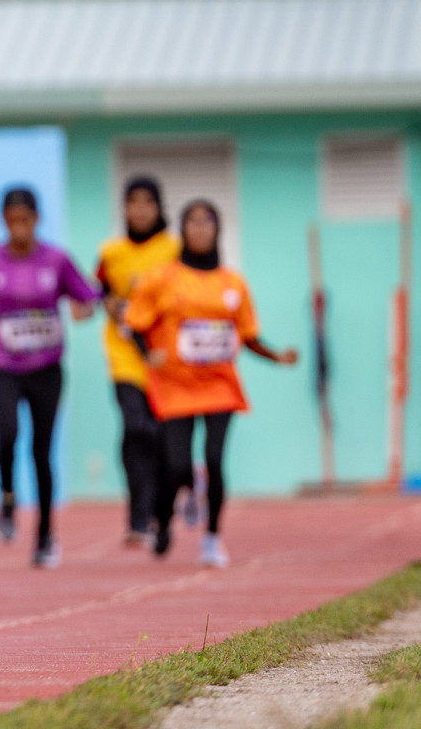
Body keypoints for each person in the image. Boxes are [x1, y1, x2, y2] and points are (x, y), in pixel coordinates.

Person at [126, 200, 297, 568]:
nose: (200, 229)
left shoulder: (232, 284)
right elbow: (135, 323)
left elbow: (249, 337)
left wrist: (277, 356)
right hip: (175, 384)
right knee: (177, 466)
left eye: (208, 222)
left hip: (219, 384)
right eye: (193, 221)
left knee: (216, 460)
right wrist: (146, 353)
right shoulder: (162, 278)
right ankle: (166, 517)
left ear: (218, 230)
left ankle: (212, 538)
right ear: (182, 229)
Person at [0, 187, 98, 568]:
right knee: (8, 433)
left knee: (41, 453)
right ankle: (8, 497)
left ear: (37, 220)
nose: (19, 229)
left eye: (25, 221)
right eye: (12, 222)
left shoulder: (56, 260)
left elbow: (87, 296)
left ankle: (45, 535)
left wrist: (83, 310)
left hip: (46, 367)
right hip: (1, 363)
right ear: (4, 221)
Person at [94, 176, 179, 548]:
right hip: (124, 356)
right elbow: (96, 290)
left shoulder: (173, 249)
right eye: (133, 201)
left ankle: (164, 510)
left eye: (148, 201)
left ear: (160, 207)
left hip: (163, 357)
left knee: (162, 437)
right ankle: (137, 515)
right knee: (136, 428)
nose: (140, 209)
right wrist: (103, 303)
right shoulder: (111, 253)